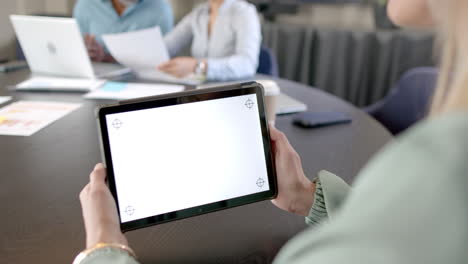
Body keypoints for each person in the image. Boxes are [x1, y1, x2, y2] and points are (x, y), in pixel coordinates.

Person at [75, 0, 468, 263]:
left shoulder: (441, 179)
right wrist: (309, 197)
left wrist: (105, 243)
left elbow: (244, 61)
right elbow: (161, 48)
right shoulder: (196, 15)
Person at [158, 0, 261, 82]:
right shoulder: (199, 13)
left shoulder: (244, 12)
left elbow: (247, 63)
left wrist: (198, 66)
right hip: (201, 89)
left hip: (232, 92)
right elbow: (166, 46)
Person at [73, 0, 174, 62]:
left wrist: (105, 57)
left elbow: (162, 61)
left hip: (141, 83)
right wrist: (87, 52)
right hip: (95, 77)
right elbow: (76, 48)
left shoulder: (160, 9)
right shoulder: (86, 4)